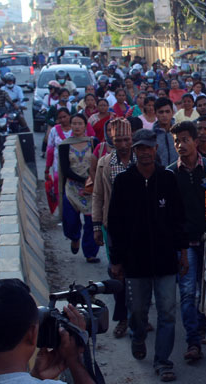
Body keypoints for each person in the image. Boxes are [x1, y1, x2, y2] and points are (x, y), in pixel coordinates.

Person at [108, 129, 189, 382]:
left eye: (149, 148)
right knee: (138, 311)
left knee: (167, 312)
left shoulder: (167, 179)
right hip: (135, 263)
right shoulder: (123, 182)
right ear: (134, 151)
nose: (144, 152)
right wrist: (117, 261)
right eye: (139, 148)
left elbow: (178, 219)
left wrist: (183, 253)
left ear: (156, 150)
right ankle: (138, 336)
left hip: (165, 261)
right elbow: (115, 224)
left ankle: (163, 361)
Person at [168, 121, 206, 360]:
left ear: (195, 141)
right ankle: (193, 341)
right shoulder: (171, 174)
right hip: (185, 245)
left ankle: (202, 326)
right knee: (187, 292)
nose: (180, 145)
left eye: (184, 140)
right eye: (176, 142)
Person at [93, 118, 135, 338]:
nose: (124, 144)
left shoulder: (142, 160)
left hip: (139, 227)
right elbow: (98, 195)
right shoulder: (105, 163)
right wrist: (97, 226)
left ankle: (138, 316)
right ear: (112, 140)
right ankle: (123, 318)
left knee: (138, 274)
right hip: (114, 227)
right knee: (117, 273)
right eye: (119, 140)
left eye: (127, 139)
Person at [58, 113, 100, 262]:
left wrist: (92, 180)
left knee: (91, 221)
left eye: (79, 123)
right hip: (72, 188)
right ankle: (74, 238)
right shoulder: (65, 145)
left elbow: (98, 163)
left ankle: (90, 253)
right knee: (70, 219)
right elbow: (65, 169)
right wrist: (82, 179)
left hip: (91, 187)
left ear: (85, 126)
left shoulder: (93, 142)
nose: (76, 127)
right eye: (74, 124)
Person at [153, 97, 178, 165]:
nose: (164, 115)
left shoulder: (179, 132)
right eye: (161, 112)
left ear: (172, 112)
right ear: (155, 113)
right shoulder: (151, 135)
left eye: (167, 111)